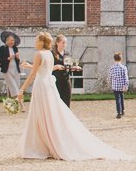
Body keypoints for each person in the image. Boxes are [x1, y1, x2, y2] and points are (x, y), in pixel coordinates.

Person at [19, 32, 129, 161]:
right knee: (49, 114)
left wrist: (22, 89)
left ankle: (42, 145)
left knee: (40, 114)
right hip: (48, 85)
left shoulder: (39, 54)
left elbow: (34, 74)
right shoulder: (49, 54)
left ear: (42, 42)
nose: (35, 42)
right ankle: (49, 143)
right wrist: (30, 66)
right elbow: (46, 69)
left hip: (41, 85)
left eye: (36, 40)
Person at [52, 35, 79, 107]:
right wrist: (56, 67)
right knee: (56, 102)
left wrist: (74, 68)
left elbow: (69, 66)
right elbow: (46, 68)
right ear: (57, 43)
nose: (65, 44)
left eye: (66, 43)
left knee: (67, 101)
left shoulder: (67, 54)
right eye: (63, 42)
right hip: (56, 80)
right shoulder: (52, 54)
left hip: (66, 79)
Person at [0, 32, 24, 101]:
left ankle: (11, 102)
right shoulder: (3, 48)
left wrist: (17, 58)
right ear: (7, 40)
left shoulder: (15, 48)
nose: (12, 42)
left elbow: (17, 61)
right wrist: (8, 58)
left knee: (17, 85)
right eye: (11, 40)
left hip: (15, 69)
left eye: (13, 40)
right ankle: (18, 102)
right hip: (7, 69)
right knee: (12, 85)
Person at [108, 52, 129, 118]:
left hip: (115, 86)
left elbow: (109, 77)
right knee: (122, 98)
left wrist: (109, 82)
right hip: (122, 86)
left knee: (118, 99)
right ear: (121, 59)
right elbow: (126, 78)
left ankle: (119, 112)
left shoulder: (112, 68)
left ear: (114, 59)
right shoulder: (124, 67)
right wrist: (126, 85)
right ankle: (122, 111)